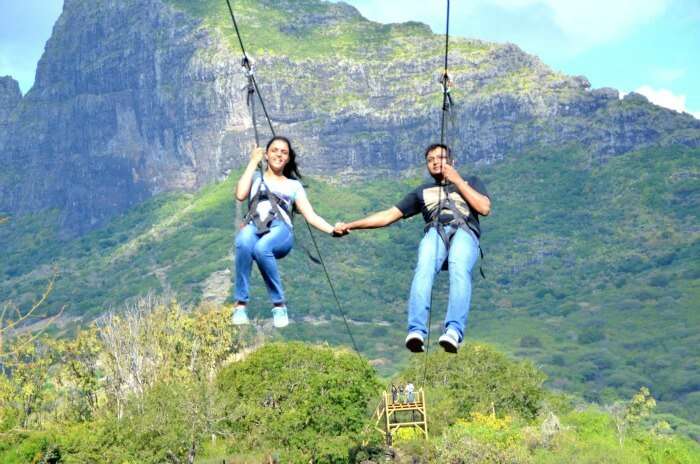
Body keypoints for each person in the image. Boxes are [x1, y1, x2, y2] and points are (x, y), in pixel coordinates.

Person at [335, 143, 490, 353]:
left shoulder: (471, 182)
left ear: (452, 162)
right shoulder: (421, 192)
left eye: (441, 157)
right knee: (423, 269)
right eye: (430, 159)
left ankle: (453, 330)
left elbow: (483, 207)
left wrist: (457, 181)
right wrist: (351, 225)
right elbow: (388, 216)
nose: (435, 161)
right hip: (436, 231)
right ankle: (416, 330)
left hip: (465, 231)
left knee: (459, 268)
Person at [232, 136, 345, 328]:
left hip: (280, 231)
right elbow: (240, 194)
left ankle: (279, 304)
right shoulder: (255, 178)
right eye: (274, 150)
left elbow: (311, 216)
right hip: (255, 226)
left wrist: (332, 230)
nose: (279, 154)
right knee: (243, 240)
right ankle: (240, 305)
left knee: (262, 248)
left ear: (288, 158)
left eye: (284, 152)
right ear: (266, 155)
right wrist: (253, 161)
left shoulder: (293, 186)